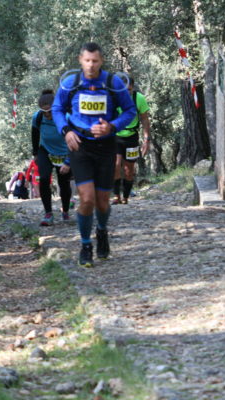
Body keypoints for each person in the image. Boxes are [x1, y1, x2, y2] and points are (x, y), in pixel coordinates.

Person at [52, 42, 136, 267]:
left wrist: (112, 126)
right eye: (87, 61)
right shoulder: (71, 83)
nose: (91, 65)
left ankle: (102, 231)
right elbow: (57, 108)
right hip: (80, 146)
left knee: (102, 202)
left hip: (106, 146)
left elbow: (130, 111)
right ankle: (85, 245)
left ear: (101, 61)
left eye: (95, 61)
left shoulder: (113, 83)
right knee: (87, 199)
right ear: (80, 60)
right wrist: (66, 131)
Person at [32, 89, 72, 226]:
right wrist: (35, 153)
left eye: (49, 111)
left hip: (64, 153)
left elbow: (74, 139)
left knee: (63, 183)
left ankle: (65, 210)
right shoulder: (38, 117)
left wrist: (70, 160)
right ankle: (48, 213)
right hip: (45, 151)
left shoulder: (66, 117)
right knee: (43, 179)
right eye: (44, 112)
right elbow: (35, 135)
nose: (47, 115)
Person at [112, 77, 151, 205]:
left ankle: (126, 197)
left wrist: (146, 139)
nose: (126, 93)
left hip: (132, 137)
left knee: (129, 170)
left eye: (128, 90)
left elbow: (144, 119)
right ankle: (116, 196)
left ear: (133, 88)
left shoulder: (139, 98)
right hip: (115, 136)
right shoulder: (113, 97)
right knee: (115, 165)